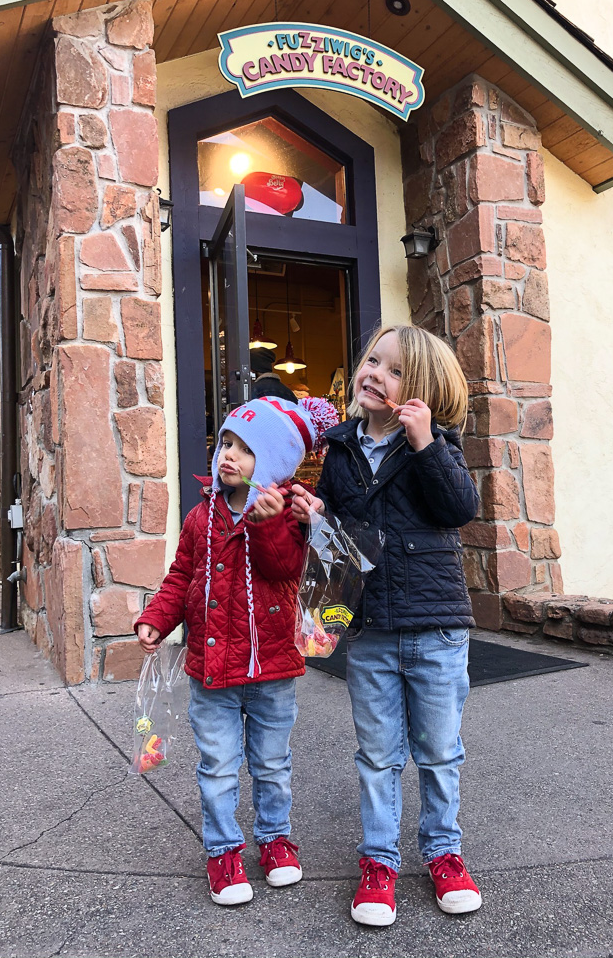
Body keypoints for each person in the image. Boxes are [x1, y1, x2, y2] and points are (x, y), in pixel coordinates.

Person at [291, 324, 482, 927]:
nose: (375, 373)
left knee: (438, 751)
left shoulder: (438, 443)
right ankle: (379, 862)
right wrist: (317, 514)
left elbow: (458, 510)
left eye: (394, 369)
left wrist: (423, 442)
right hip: (369, 628)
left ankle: (444, 854)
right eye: (372, 360)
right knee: (377, 754)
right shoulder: (340, 447)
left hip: (435, 626)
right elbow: (339, 538)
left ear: (421, 389)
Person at [135, 396, 320, 907]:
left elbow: (284, 569)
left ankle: (276, 840)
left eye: (245, 449)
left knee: (271, 763)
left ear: (276, 464)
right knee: (217, 766)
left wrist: (265, 524)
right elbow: (181, 577)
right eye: (226, 444)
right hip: (211, 670)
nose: (229, 456)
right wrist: (156, 618)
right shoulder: (201, 516)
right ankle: (223, 850)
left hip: (271, 667)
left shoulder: (287, 515)